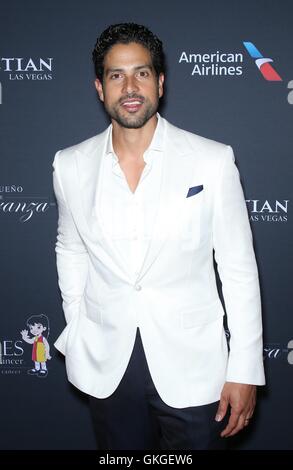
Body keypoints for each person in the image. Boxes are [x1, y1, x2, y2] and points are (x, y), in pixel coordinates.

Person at [52, 22, 265, 450]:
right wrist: (77, 322)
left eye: (142, 73)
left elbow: (238, 268)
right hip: (107, 363)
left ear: (160, 82)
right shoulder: (70, 165)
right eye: (116, 75)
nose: (130, 86)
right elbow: (69, 248)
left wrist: (244, 367)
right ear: (100, 87)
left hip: (193, 365)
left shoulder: (211, 160)